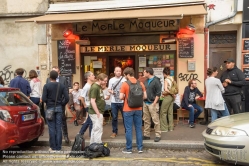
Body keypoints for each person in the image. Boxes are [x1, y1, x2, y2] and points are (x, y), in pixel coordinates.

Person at [120, 67, 147, 154]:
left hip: (128, 109)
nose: (124, 77)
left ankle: (129, 149)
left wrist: (126, 97)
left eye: (125, 75)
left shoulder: (125, 84)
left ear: (128, 74)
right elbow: (145, 97)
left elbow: (121, 97)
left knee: (128, 129)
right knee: (138, 128)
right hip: (138, 108)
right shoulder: (141, 83)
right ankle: (140, 148)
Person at [42, 70, 69, 152]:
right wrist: (62, 103)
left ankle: (53, 147)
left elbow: (43, 99)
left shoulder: (46, 86)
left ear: (50, 77)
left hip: (50, 108)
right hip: (59, 108)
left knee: (51, 128)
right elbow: (67, 98)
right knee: (59, 127)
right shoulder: (61, 86)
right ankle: (59, 147)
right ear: (57, 77)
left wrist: (48, 103)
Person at [143, 67, 162, 142]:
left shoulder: (156, 81)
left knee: (155, 120)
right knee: (146, 119)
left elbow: (158, 92)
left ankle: (158, 135)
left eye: (144, 72)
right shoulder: (146, 80)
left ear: (148, 73)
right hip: (146, 102)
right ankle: (146, 134)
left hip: (152, 103)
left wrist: (154, 102)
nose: (143, 73)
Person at [88, 73, 108, 144]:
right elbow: (92, 101)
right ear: (99, 80)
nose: (106, 82)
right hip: (96, 112)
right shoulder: (95, 87)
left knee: (95, 129)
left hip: (98, 111)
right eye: (104, 81)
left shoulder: (98, 86)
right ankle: (97, 145)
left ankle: (93, 145)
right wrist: (98, 113)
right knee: (98, 130)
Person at [108, 66, 127, 138]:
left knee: (125, 117)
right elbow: (109, 89)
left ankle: (127, 131)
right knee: (114, 117)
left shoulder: (124, 79)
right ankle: (114, 131)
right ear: (114, 72)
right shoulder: (111, 80)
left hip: (123, 101)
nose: (118, 72)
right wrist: (111, 91)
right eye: (117, 71)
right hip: (114, 101)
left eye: (120, 71)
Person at [79, 71, 95, 137]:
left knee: (89, 120)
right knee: (91, 121)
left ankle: (80, 133)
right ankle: (91, 136)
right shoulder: (86, 87)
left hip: (91, 105)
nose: (94, 76)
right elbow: (81, 97)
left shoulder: (91, 85)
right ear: (88, 77)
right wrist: (85, 105)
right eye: (92, 75)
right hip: (89, 105)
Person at [160, 67, 175, 132]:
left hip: (168, 96)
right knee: (170, 112)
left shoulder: (166, 79)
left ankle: (164, 128)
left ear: (164, 73)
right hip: (172, 97)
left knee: (163, 112)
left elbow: (166, 89)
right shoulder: (172, 79)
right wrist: (173, 94)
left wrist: (170, 93)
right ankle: (171, 127)